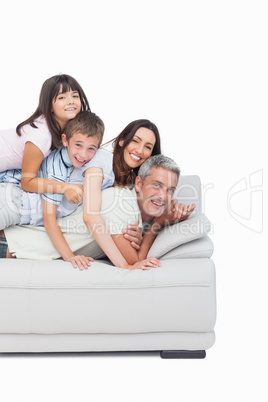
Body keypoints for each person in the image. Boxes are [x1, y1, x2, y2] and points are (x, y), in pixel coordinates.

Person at [3, 155, 195, 269]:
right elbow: (135, 262)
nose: (163, 195)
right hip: (9, 246)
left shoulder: (139, 211)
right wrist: (158, 224)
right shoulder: (120, 202)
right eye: (157, 185)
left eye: (170, 190)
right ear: (138, 184)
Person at [0, 111, 109, 268]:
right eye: (78, 145)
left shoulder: (71, 161)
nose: (83, 154)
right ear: (65, 140)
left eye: (91, 148)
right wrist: (70, 256)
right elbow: (49, 219)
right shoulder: (57, 167)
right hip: (10, 201)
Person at [0, 74, 90, 204]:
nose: (70, 101)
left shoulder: (65, 128)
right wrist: (65, 188)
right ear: (49, 106)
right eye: (62, 97)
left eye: (75, 96)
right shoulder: (40, 135)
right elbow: (27, 183)